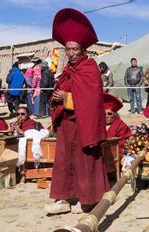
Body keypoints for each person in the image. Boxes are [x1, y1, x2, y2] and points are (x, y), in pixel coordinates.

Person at [46, 8, 109, 215]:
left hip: (83, 124)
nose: (71, 53)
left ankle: (89, 200)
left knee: (85, 161)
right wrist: (56, 99)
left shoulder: (89, 68)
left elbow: (92, 99)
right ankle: (63, 198)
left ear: (83, 50)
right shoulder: (67, 70)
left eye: (75, 49)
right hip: (66, 124)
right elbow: (60, 89)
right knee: (64, 161)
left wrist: (67, 98)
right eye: (68, 49)